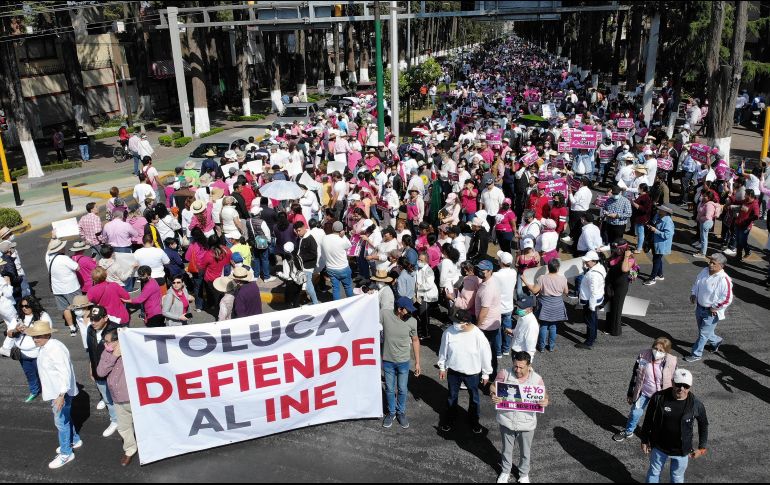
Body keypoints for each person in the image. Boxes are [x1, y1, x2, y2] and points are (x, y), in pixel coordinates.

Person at [26, 320, 81, 469]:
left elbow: (65, 372)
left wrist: (61, 395)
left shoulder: (54, 349)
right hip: (57, 391)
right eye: (34, 336)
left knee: (61, 423)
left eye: (38, 336)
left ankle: (66, 453)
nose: (35, 339)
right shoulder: (46, 346)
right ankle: (74, 440)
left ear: (48, 334)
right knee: (66, 418)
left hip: (60, 393)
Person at [640, 369, 709, 483]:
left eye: (685, 386)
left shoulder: (696, 404)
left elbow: (703, 425)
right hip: (659, 447)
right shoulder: (658, 397)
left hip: (681, 451)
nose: (681, 388)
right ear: (672, 382)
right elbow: (648, 419)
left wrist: (702, 448)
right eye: (678, 384)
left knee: (677, 477)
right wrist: (644, 439)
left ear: (690, 387)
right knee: (654, 472)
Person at [491, 351, 549, 484]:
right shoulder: (504, 373)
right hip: (506, 420)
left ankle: (523, 474)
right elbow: (493, 387)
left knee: (525, 451)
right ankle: (505, 471)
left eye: (521, 367)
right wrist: (493, 395)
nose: (517, 370)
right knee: (506, 449)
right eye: (515, 366)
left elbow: (545, 396)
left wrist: (546, 401)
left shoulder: (537, 379)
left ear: (529, 365)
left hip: (526, 423)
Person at [438, 309, 493, 434]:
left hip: (472, 374)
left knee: (474, 398)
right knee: (452, 396)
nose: (454, 324)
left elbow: (486, 355)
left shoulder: (478, 335)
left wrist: (486, 373)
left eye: (457, 322)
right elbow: (443, 351)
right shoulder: (448, 333)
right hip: (453, 372)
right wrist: (442, 367)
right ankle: (450, 419)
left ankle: (474, 420)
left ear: (466, 322)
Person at [613, 337, 678, 442]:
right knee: (635, 413)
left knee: (659, 417)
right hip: (644, 393)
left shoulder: (672, 361)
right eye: (655, 348)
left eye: (661, 350)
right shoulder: (643, 355)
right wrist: (630, 394)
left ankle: (654, 435)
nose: (657, 352)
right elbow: (635, 375)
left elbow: (676, 380)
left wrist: (675, 398)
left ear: (666, 352)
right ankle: (628, 431)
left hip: (661, 396)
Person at [96, 326, 137, 466]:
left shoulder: (133, 351)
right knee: (124, 427)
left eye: (108, 342)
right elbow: (100, 372)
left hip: (134, 398)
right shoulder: (107, 353)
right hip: (118, 398)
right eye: (104, 341)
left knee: (144, 425)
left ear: (119, 340)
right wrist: (113, 356)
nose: (105, 345)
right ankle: (130, 450)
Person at [381, 297, 421, 429]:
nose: (410, 313)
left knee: (403, 389)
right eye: (408, 310)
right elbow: (368, 314)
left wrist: (417, 363)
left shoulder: (412, 321)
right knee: (390, 389)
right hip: (388, 361)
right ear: (399, 309)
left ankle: (401, 412)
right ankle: (391, 412)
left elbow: (415, 341)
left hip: (404, 362)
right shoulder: (385, 315)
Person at [685, 253, 733, 362]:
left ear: (721, 266)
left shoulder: (724, 280)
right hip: (699, 308)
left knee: (702, 334)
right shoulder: (704, 271)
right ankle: (716, 341)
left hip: (711, 312)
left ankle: (696, 354)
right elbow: (697, 283)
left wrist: (715, 307)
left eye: (713, 263)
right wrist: (693, 294)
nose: (710, 264)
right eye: (710, 261)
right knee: (704, 332)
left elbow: (727, 298)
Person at [5, 296, 51, 401]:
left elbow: (47, 333)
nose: (24, 308)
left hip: (39, 352)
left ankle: (48, 391)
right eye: (22, 306)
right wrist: (16, 330)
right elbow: (9, 333)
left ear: (33, 305)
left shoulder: (43, 316)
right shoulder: (18, 316)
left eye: (27, 306)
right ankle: (34, 391)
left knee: (44, 373)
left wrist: (29, 330)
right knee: (29, 374)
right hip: (23, 354)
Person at [85, 306, 119, 438]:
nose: (93, 322)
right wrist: (91, 367)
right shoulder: (90, 330)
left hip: (115, 374)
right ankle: (114, 419)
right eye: (92, 319)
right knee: (107, 398)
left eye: (97, 319)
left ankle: (121, 420)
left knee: (119, 398)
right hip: (98, 372)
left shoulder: (116, 330)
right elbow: (91, 351)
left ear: (105, 318)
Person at [523, 259, 568, 352]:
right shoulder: (563, 278)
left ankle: (541, 346)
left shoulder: (542, 278)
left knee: (543, 325)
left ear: (548, 267)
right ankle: (551, 346)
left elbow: (534, 291)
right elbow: (566, 292)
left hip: (545, 304)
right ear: (558, 268)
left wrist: (525, 281)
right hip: (557, 304)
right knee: (553, 326)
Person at [474, 259, 502, 381]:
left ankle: (489, 377)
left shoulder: (488, 289)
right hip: (490, 324)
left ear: (490, 271)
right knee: (490, 352)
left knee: (487, 353)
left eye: (482, 270)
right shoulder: (488, 282)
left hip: (486, 326)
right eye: (479, 269)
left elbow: (484, 311)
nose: (480, 272)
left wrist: (477, 327)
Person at [45, 239, 80, 336]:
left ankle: (72, 328)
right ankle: (81, 324)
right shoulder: (64, 258)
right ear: (59, 249)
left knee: (65, 308)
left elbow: (48, 249)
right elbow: (77, 267)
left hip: (57, 289)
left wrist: (52, 238)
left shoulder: (48, 257)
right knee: (79, 307)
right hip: (71, 287)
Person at [575, 251, 607, 350]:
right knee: (593, 319)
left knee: (590, 320)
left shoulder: (594, 274)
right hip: (596, 299)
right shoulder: (599, 267)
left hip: (591, 301)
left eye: (587, 261)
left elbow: (594, 291)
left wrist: (591, 306)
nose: (585, 263)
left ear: (594, 261)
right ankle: (592, 335)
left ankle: (589, 342)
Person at [605, 240, 635, 336]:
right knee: (610, 305)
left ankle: (615, 331)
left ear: (623, 249)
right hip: (611, 282)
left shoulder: (630, 258)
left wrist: (626, 256)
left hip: (621, 286)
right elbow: (608, 262)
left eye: (617, 249)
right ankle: (608, 326)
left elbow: (624, 269)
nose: (615, 250)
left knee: (617, 308)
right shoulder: (615, 254)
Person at [321, 221, 354, 300]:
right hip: (343, 268)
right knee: (348, 287)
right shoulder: (342, 239)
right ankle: (352, 304)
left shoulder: (325, 238)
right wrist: (344, 236)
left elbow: (323, 253)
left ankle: (337, 306)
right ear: (342, 230)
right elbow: (349, 245)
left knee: (335, 289)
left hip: (331, 268)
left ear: (333, 228)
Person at [644, 205, 675, 286]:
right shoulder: (657, 216)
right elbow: (654, 223)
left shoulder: (668, 221)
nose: (659, 210)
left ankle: (652, 278)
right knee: (657, 259)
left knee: (656, 260)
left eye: (661, 209)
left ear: (666, 212)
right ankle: (660, 274)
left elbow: (667, 235)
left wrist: (656, 231)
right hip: (655, 242)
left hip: (661, 244)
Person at [494, 251, 518, 356]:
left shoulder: (496, 275)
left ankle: (498, 351)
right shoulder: (514, 272)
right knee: (507, 329)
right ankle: (506, 349)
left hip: (498, 307)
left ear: (501, 262)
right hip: (508, 307)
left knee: (497, 330)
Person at [507, 295, 539, 361]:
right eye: (518, 306)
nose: (518, 309)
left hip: (521, 355)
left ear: (529, 309)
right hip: (515, 350)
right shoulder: (522, 316)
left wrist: (528, 363)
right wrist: (512, 332)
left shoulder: (531, 325)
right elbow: (519, 331)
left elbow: (531, 347)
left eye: (521, 308)